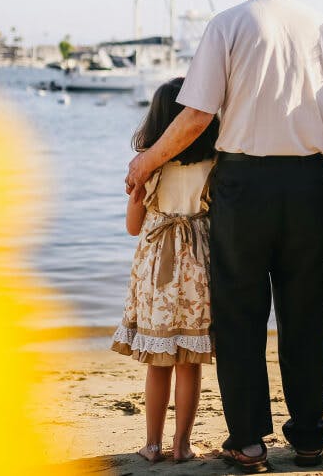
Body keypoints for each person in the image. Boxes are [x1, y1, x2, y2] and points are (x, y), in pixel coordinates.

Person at [124, 0, 323, 472]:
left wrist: (146, 160)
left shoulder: (227, 24)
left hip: (243, 183)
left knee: (242, 315)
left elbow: (196, 116)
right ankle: (310, 436)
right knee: (305, 311)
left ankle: (247, 441)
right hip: (309, 182)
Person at [111, 77, 219, 463]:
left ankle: (152, 444)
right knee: (190, 361)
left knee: (158, 364)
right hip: (198, 263)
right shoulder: (214, 161)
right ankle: (183, 445)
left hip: (157, 265)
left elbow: (133, 227)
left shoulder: (148, 166)